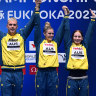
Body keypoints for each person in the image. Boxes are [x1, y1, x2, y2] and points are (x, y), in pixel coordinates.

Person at [0, 1, 40, 96]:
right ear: (7, 26)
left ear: (17, 26)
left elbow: (31, 23)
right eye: (10, 24)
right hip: (5, 72)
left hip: (19, 72)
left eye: (14, 25)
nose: (12, 27)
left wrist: (37, 8)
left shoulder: (22, 35)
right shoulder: (2, 36)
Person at [34, 1, 70, 96]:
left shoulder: (55, 43)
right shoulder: (39, 42)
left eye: (52, 34)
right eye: (49, 33)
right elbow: (37, 26)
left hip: (53, 72)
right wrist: (37, 8)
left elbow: (61, 29)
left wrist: (66, 16)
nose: (51, 35)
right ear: (44, 34)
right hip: (41, 72)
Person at [62, 6, 96, 96]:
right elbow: (66, 31)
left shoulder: (84, 46)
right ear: (72, 38)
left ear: (82, 38)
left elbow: (90, 33)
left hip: (84, 80)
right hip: (71, 79)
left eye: (79, 36)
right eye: (75, 36)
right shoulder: (69, 45)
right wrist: (66, 16)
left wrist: (93, 19)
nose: (77, 38)